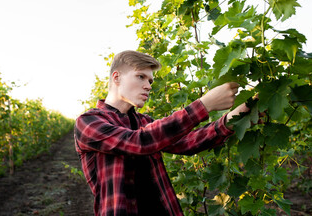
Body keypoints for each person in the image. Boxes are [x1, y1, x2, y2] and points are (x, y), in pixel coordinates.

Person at [74, 50, 250, 216]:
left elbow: (188, 142)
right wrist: (204, 105)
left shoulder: (144, 122)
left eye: (150, 81)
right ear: (116, 77)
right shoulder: (88, 122)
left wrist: (235, 117)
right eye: (140, 77)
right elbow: (138, 142)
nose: (148, 86)